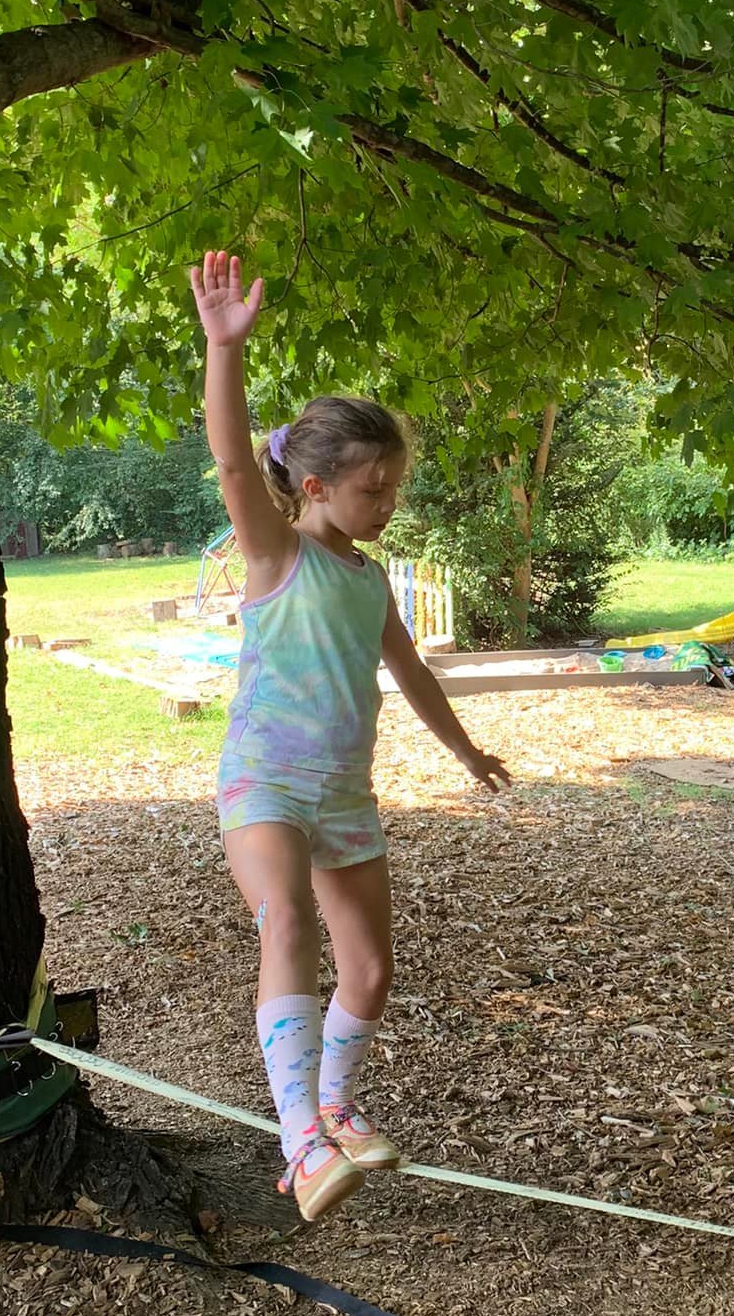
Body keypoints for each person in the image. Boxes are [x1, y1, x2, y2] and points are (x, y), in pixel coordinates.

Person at [191, 249, 511, 1221]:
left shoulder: (370, 582)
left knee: (370, 970)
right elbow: (233, 459)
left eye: (394, 488)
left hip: (343, 795)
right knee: (285, 923)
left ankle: (334, 1104)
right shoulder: (275, 552)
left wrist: (466, 752)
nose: (389, 505)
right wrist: (224, 348)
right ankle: (300, 1143)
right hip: (266, 782)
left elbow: (412, 674)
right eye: (375, 490)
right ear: (317, 484)